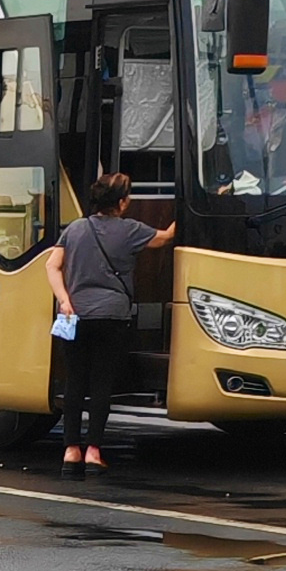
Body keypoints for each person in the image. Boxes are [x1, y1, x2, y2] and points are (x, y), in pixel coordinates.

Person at [43, 172, 174, 469]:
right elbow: (166, 237)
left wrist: (64, 299)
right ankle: (93, 451)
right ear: (123, 203)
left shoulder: (75, 229)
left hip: (75, 315)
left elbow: (52, 265)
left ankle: (70, 449)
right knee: (101, 384)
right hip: (112, 317)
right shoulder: (130, 230)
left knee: (75, 382)